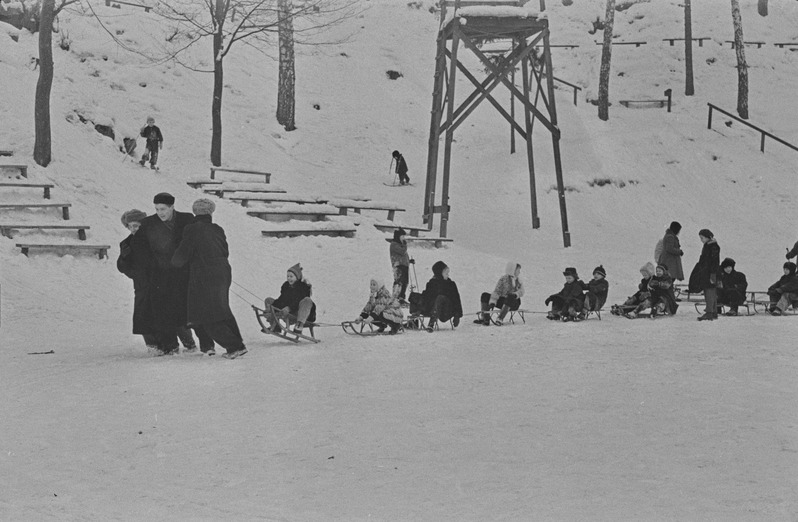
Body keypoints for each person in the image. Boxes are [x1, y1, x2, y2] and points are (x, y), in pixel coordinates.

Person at [134, 192, 208, 355]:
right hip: (160, 275)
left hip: (184, 273)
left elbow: (198, 242)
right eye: (157, 209)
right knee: (163, 312)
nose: (160, 213)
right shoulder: (148, 223)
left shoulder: (186, 219)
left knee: (190, 310)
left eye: (163, 209)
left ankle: (204, 345)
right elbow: (139, 247)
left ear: (172, 207)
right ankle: (170, 346)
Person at [172, 199, 247, 359]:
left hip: (204, 276)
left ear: (195, 212)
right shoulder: (217, 229)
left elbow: (180, 257)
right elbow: (224, 251)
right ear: (210, 213)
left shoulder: (191, 229)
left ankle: (233, 347)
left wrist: (174, 260)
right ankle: (239, 344)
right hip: (223, 272)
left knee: (206, 314)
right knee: (222, 309)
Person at [117, 209, 158, 350]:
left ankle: (183, 343)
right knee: (142, 316)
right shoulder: (126, 243)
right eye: (131, 226)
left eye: (137, 225)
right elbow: (122, 266)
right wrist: (126, 260)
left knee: (164, 313)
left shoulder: (153, 239)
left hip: (158, 282)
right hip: (141, 284)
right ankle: (152, 346)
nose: (134, 229)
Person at [264, 263, 316, 335]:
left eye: (291, 276)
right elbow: (281, 300)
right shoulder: (286, 286)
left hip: (302, 314)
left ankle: (299, 325)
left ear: (297, 277)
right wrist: (271, 307)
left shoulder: (303, 287)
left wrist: (289, 308)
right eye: (287, 276)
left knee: (307, 300)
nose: (289, 278)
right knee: (268, 300)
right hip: (289, 314)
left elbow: (298, 300)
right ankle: (275, 325)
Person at [475, 261, 525, 326]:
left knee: (510, 296)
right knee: (485, 295)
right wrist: (492, 302)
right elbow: (497, 291)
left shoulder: (519, 280)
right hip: (503, 301)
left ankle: (500, 319)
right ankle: (485, 318)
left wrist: (516, 294)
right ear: (513, 270)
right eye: (518, 270)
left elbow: (522, 291)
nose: (519, 272)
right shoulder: (503, 279)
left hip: (514, 302)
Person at [419, 261, 463, 332]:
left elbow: (456, 300)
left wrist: (457, 315)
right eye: (446, 273)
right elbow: (426, 297)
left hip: (446, 311)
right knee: (416, 296)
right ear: (439, 274)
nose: (448, 275)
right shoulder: (432, 283)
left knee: (440, 298)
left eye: (448, 273)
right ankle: (413, 320)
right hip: (433, 310)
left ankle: (431, 323)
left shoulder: (451, 284)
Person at [689, 228, 721, 321]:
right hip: (707, 272)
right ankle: (713, 311)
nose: (701, 240)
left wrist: (712, 273)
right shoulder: (708, 246)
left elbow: (714, 261)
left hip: (710, 272)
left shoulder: (712, 247)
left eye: (702, 238)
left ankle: (709, 312)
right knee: (711, 291)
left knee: (709, 291)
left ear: (708, 237)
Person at [389, 228, 411, 304]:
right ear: (398, 236)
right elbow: (402, 252)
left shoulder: (400, 245)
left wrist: (409, 261)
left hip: (404, 265)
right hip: (398, 265)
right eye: (402, 236)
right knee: (399, 282)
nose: (403, 238)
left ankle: (401, 298)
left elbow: (403, 255)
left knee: (405, 282)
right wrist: (405, 245)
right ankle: (395, 298)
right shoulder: (394, 244)